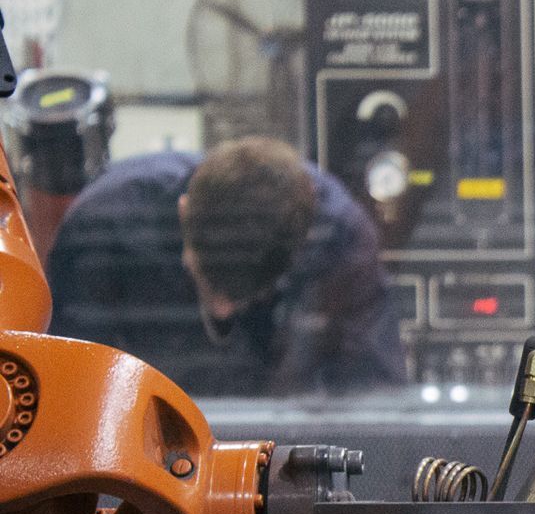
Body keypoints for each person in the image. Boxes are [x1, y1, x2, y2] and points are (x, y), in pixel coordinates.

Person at [46, 137, 407, 396]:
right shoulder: (106, 224)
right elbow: (71, 388)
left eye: (248, 296)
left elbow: (373, 396)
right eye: (206, 280)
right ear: (184, 211)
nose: (221, 308)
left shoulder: (339, 240)